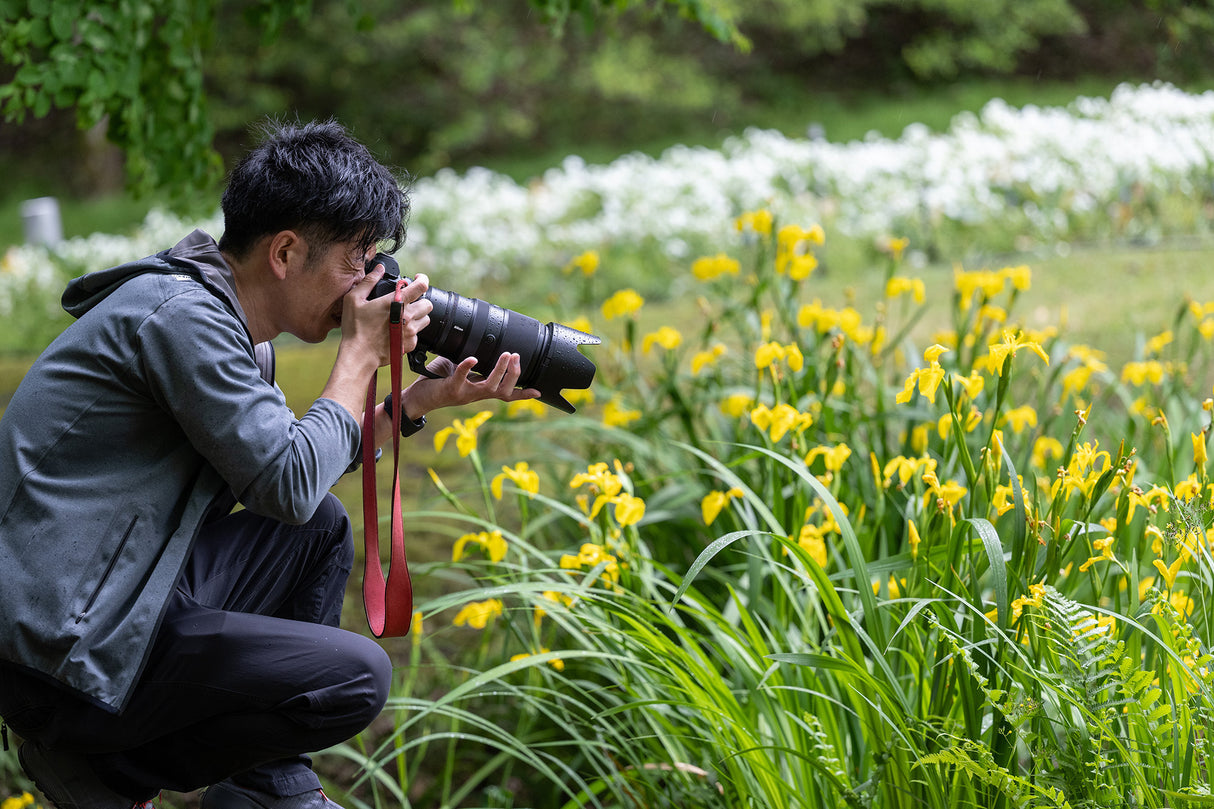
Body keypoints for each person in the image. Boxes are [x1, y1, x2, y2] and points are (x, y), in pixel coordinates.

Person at [0, 120, 538, 809]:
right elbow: (284, 480)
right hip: (64, 651)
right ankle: (105, 768)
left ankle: (264, 789)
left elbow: (289, 473)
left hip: (118, 592)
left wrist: (417, 399)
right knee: (355, 676)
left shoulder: (219, 324)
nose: (364, 285)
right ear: (284, 252)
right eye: (355, 259)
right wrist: (357, 359)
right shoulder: (180, 319)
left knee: (317, 527)